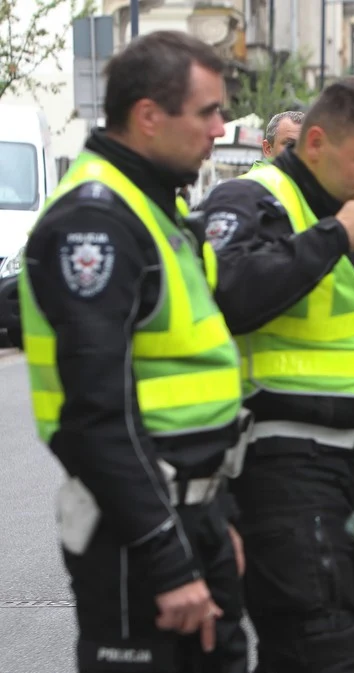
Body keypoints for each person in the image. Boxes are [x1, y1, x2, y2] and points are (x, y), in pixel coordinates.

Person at [196, 75, 354, 673]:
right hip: (279, 461)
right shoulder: (255, 199)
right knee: (328, 648)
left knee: (302, 647)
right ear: (314, 143)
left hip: (349, 462)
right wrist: (336, 237)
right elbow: (227, 294)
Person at [18, 31, 249, 672]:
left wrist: (214, 514)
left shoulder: (153, 209)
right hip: (137, 534)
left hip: (189, 515)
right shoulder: (96, 222)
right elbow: (99, 420)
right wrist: (169, 559)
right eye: (207, 111)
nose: (220, 127)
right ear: (148, 115)